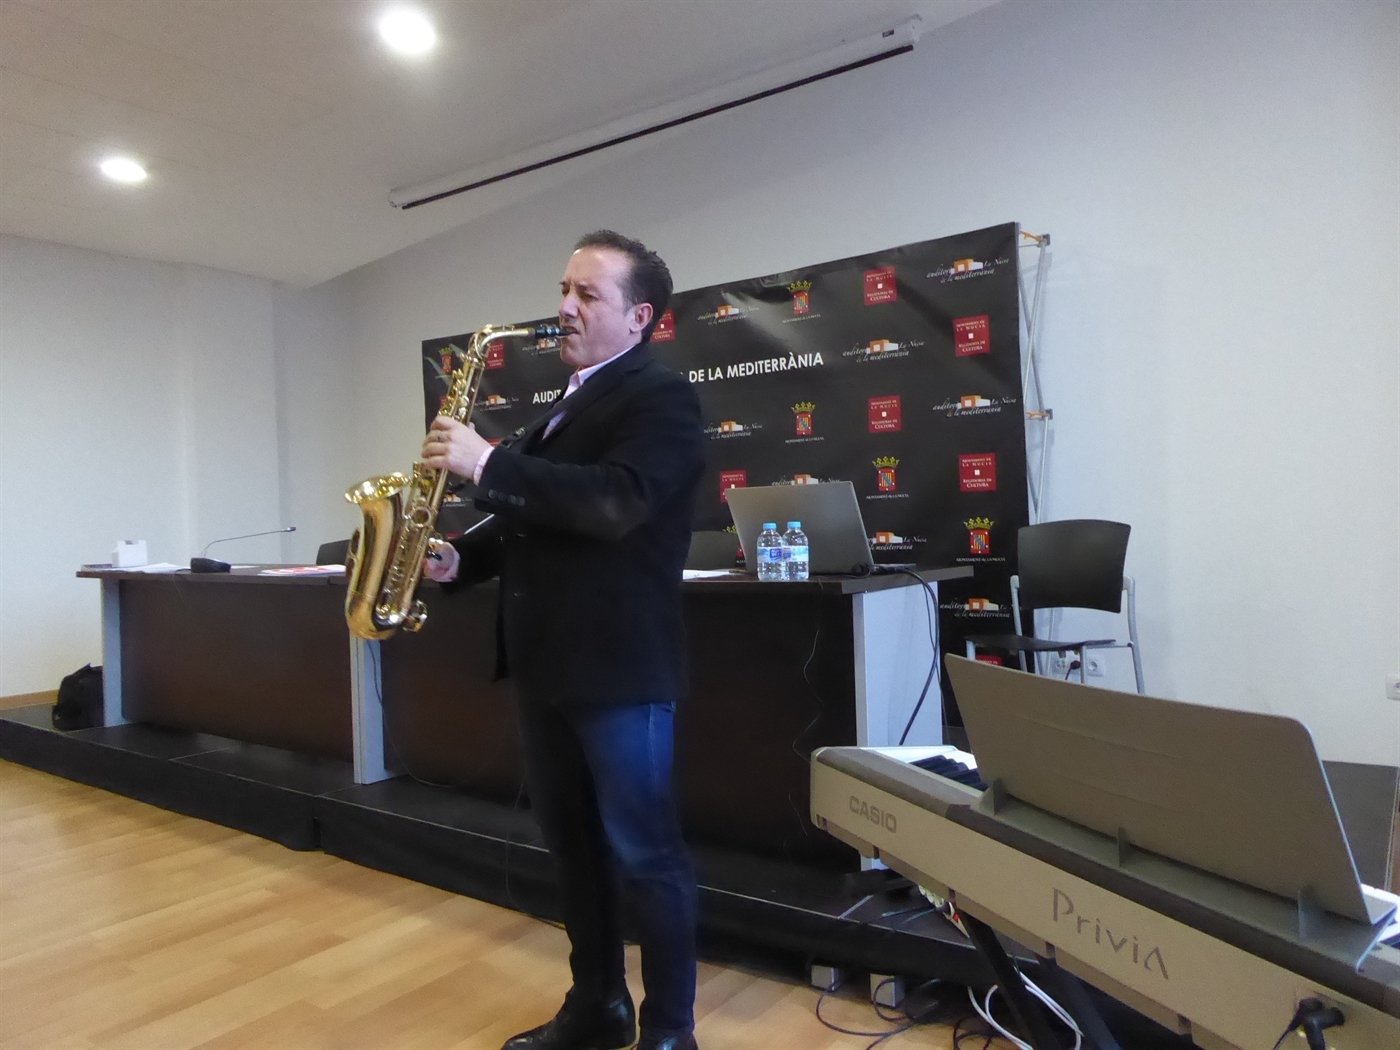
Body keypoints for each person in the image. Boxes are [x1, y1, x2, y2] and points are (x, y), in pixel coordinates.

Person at [420, 231, 705, 1050]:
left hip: (616, 668)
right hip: (546, 663)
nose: (564, 308)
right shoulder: (569, 402)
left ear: (639, 317)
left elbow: (614, 503)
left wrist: (486, 462)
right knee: (574, 850)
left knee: (646, 854)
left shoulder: (660, 396)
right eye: (563, 289)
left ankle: (671, 1032)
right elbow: (535, 521)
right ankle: (597, 1007)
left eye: (587, 294)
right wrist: (459, 560)